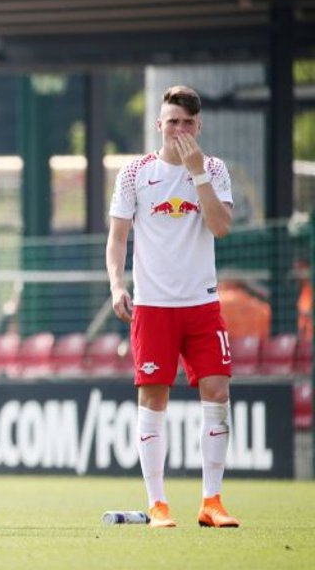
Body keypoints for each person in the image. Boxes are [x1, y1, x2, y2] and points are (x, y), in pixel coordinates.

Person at [106, 85, 239, 529]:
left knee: (217, 395)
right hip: (153, 306)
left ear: (198, 126)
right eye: (172, 121)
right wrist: (115, 284)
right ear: (158, 124)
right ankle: (158, 503)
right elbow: (118, 237)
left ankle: (212, 502)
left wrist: (198, 174)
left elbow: (221, 228)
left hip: (202, 304)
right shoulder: (134, 174)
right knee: (152, 400)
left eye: (187, 122)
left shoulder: (215, 169)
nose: (179, 129)